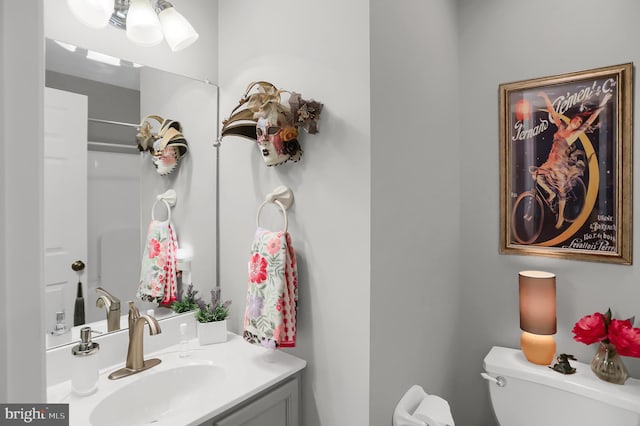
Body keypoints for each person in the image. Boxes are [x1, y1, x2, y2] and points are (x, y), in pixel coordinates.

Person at [534, 90, 612, 229]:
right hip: (550, 162)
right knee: (535, 175)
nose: (578, 122)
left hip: (560, 165)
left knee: (562, 192)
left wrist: (603, 103)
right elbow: (552, 112)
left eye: (580, 122)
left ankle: (562, 217)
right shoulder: (561, 127)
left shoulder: (575, 134)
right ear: (573, 119)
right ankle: (551, 193)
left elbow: (590, 120)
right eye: (577, 119)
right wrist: (546, 97)